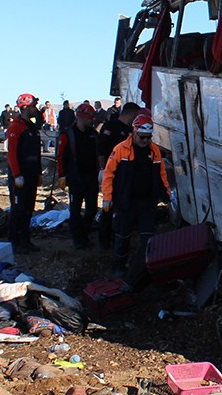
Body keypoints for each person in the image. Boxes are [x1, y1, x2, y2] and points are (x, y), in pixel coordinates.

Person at [101, 112, 170, 283]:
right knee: (123, 236)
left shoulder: (154, 151)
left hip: (147, 202)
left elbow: (162, 174)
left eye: (148, 137)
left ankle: (147, 269)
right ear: (134, 132)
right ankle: (119, 266)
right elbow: (108, 175)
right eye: (142, 137)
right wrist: (107, 198)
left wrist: (167, 194)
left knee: (149, 238)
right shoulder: (120, 150)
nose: (145, 141)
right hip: (126, 202)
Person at [96, 101, 139, 248]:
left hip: (125, 175)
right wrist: (102, 169)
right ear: (131, 113)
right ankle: (103, 239)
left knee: (122, 207)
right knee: (108, 206)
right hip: (111, 173)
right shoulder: (110, 126)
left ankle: (117, 237)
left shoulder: (130, 131)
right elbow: (101, 149)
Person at [58, 103, 100, 248]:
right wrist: (62, 175)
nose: (92, 121)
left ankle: (84, 234)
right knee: (75, 209)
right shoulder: (68, 134)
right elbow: (61, 156)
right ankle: (78, 239)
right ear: (82, 118)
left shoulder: (93, 134)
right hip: (76, 178)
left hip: (91, 177)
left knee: (92, 208)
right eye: (90, 119)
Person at [6, 93, 43, 253]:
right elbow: (11, 153)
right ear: (26, 107)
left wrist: (39, 173)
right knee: (18, 209)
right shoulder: (16, 127)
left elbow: (37, 152)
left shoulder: (31, 127)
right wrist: (16, 175)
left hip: (32, 174)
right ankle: (14, 241)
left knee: (29, 208)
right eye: (33, 106)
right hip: (20, 176)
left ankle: (25, 239)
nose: (36, 109)